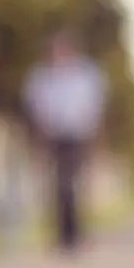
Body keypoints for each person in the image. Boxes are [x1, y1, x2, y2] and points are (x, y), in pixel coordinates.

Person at [23, 30, 106, 250]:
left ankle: (77, 232)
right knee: (58, 186)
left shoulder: (86, 75)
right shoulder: (42, 77)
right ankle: (62, 234)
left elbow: (94, 105)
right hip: (54, 136)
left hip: (78, 135)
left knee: (75, 185)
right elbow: (36, 106)